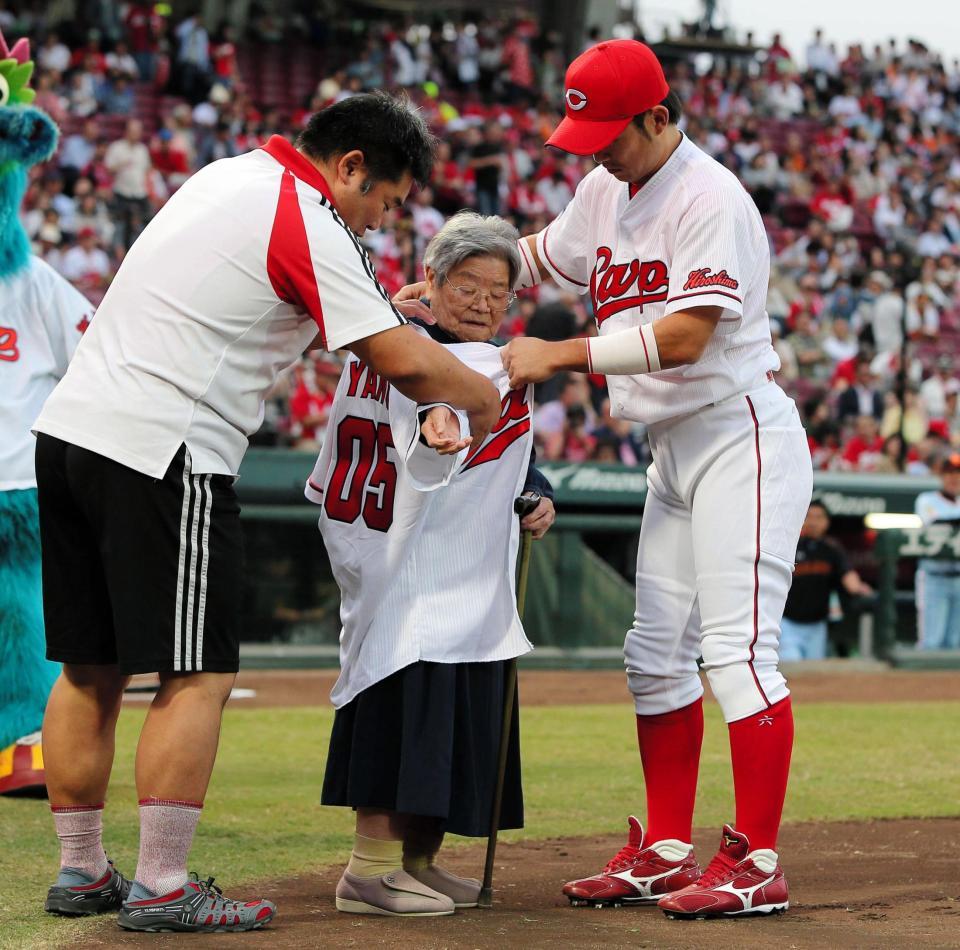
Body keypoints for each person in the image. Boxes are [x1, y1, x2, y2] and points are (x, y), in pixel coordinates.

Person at [33, 93, 500, 933]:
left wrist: (384, 305)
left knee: (88, 669)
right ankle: (164, 885)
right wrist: (486, 388)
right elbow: (407, 366)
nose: (378, 221)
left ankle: (81, 870)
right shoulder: (309, 212)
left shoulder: (228, 175)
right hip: (166, 449)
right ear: (351, 166)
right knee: (198, 673)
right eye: (383, 201)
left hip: (71, 434)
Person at [486, 39, 813, 919]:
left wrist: (560, 352)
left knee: (737, 654)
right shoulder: (605, 185)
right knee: (653, 657)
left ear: (660, 117)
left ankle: (758, 862)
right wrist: (452, 276)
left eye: (608, 133)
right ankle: (669, 846)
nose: (593, 149)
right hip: (672, 447)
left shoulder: (712, 199)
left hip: (739, 434)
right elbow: (539, 259)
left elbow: (685, 338)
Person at [307, 212, 554, 917]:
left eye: (497, 290)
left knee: (448, 711)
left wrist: (536, 493)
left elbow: (506, 458)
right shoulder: (422, 353)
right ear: (434, 282)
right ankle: (371, 868)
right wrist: (434, 425)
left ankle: (417, 859)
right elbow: (431, 421)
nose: (482, 301)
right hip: (417, 557)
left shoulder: (388, 339)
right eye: (466, 284)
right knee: (405, 699)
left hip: (449, 557)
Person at [781, 501, 872, 661]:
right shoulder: (788, 545)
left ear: (826, 522)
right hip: (787, 623)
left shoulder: (832, 549)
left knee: (815, 673)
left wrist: (859, 588)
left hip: (817, 625)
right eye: (808, 516)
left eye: (818, 517)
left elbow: (849, 578)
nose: (813, 522)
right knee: (792, 663)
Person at [913, 453, 960, 650]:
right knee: (931, 642)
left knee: (956, 644)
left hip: (958, 578)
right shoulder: (927, 500)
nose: (954, 477)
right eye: (949, 472)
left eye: (958, 473)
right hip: (934, 577)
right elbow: (938, 524)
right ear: (941, 475)